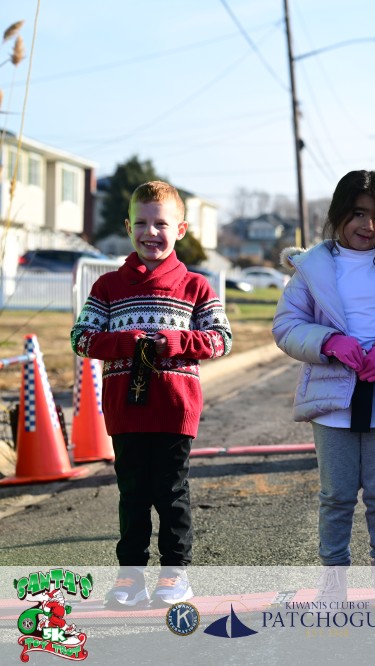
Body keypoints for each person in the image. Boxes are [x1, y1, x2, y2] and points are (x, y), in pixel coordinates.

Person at [272, 170, 375, 617]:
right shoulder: (313, 266)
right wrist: (328, 342)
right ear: (339, 212)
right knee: (336, 497)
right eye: (359, 213)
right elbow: (286, 325)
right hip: (333, 399)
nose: (368, 225)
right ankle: (333, 585)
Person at [70, 181, 232, 608]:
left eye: (161, 223)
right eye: (140, 223)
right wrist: (123, 342)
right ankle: (131, 577)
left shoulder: (195, 286)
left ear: (180, 229)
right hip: (125, 410)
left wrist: (177, 342)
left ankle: (175, 575)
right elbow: (81, 337)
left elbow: (221, 338)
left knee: (172, 492)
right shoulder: (108, 286)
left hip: (175, 410)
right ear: (128, 227)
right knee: (133, 495)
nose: (150, 232)